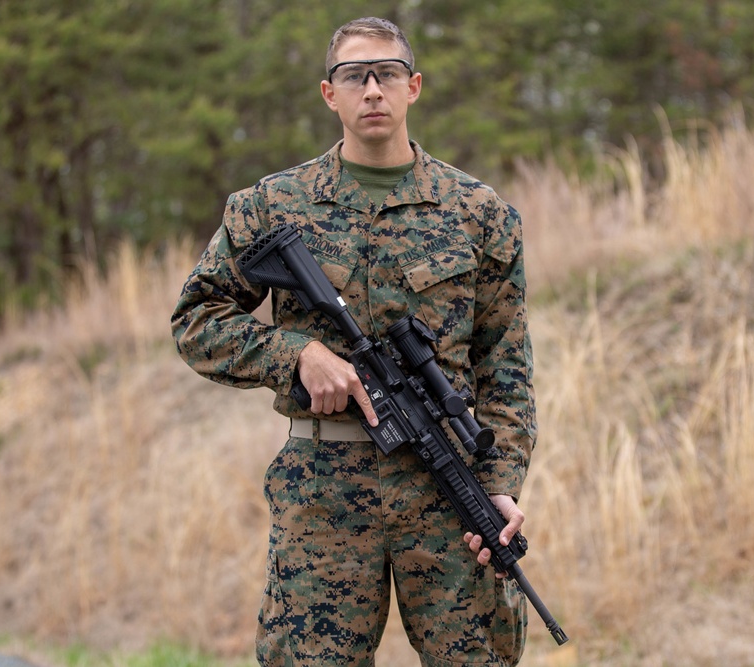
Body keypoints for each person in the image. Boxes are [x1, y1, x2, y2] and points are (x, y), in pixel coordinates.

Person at [171, 16, 535, 667]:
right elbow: (197, 319)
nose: (372, 89)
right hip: (322, 493)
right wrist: (296, 355)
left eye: (387, 73)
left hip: (447, 489)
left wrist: (500, 481)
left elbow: (506, 365)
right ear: (328, 93)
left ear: (413, 86)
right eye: (354, 76)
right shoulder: (271, 206)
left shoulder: (479, 213)